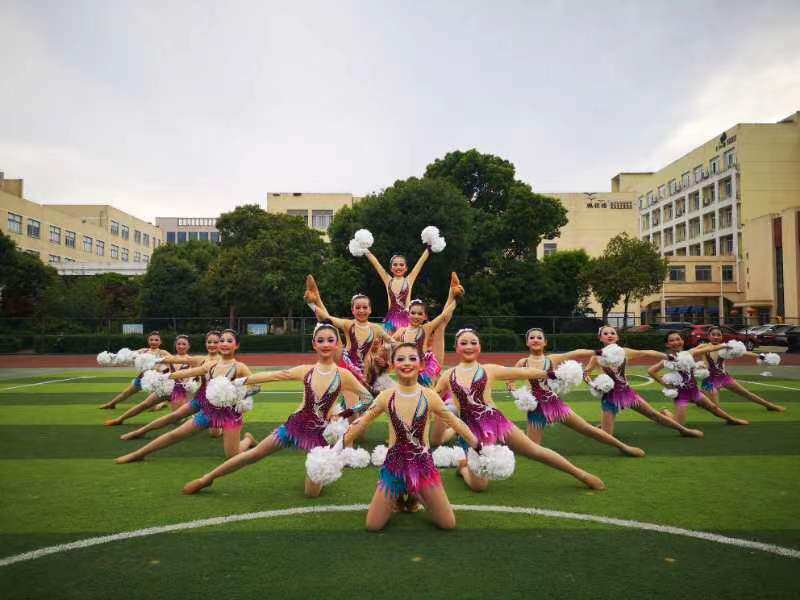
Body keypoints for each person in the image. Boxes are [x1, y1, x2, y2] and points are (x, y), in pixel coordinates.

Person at [182, 323, 373, 498]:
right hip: (294, 426)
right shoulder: (305, 370)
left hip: (319, 435)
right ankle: (207, 478)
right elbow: (273, 375)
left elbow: (367, 399)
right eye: (320, 340)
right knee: (254, 454)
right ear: (314, 344)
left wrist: (342, 415)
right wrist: (238, 381)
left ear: (337, 344)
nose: (325, 344)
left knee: (311, 493)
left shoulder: (344, 375)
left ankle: (321, 472)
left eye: (330, 340)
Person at [436, 329, 606, 492]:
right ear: (456, 347)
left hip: (496, 421)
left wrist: (550, 375)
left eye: (473, 342)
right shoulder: (448, 375)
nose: (469, 346)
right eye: (463, 343)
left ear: (480, 346)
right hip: (470, 431)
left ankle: (581, 474)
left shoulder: (489, 369)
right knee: (479, 487)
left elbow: (522, 372)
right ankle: (463, 467)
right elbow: (433, 396)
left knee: (533, 450)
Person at [343, 342, 482, 531]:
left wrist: (478, 446)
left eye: (412, 358)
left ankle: (415, 491)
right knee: (373, 526)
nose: (406, 363)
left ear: (421, 364)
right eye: (400, 359)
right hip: (394, 466)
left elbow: (455, 422)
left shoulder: (429, 396)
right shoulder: (385, 396)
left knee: (447, 524)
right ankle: (398, 489)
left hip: (423, 466)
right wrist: (337, 448)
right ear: (392, 365)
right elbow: (362, 422)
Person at [115, 329, 256, 463]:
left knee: (231, 455)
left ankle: (247, 440)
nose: (222, 344)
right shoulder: (208, 363)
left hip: (229, 413)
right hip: (207, 406)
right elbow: (185, 370)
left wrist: (239, 394)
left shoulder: (240, 366)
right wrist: (162, 374)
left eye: (229, 341)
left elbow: (255, 386)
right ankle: (138, 453)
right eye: (220, 341)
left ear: (236, 345)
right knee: (175, 431)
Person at [507, 328, 644, 456]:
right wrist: (517, 393)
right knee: (532, 449)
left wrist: (599, 352)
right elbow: (510, 380)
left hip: (555, 404)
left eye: (539, 337)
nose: (535, 340)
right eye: (532, 338)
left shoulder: (552, 359)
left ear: (545, 342)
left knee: (586, 428)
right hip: (535, 408)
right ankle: (519, 436)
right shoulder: (523, 362)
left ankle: (623, 447)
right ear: (527, 342)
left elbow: (576, 353)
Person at [584, 326, 704, 438]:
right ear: (600, 338)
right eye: (605, 334)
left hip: (627, 393)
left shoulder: (624, 351)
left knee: (653, 414)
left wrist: (668, 357)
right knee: (606, 436)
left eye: (612, 333)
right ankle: (600, 426)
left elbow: (648, 352)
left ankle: (684, 430)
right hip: (609, 396)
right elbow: (586, 373)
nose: (609, 335)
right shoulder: (596, 356)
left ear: (617, 337)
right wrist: (593, 385)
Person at [649, 331, 749, 426]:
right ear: (667, 344)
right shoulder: (667, 359)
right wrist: (665, 384)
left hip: (695, 391)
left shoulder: (689, 353)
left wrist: (725, 346)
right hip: (681, 395)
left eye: (678, 339)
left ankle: (732, 420)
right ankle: (665, 412)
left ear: (682, 341)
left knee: (713, 407)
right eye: (671, 340)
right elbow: (651, 371)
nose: (676, 342)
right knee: (679, 424)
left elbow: (709, 348)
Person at [699, 326, 785, 412]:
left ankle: (770, 406)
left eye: (719, 335)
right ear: (708, 336)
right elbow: (705, 362)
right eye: (713, 334)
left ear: (722, 336)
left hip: (723, 377)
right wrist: (702, 367)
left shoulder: (725, 346)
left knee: (746, 393)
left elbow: (743, 352)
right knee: (715, 407)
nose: (716, 337)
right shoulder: (704, 347)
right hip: (709, 379)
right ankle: (702, 398)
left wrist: (761, 356)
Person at [99, 331, 171, 409]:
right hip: (142, 377)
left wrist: (165, 371)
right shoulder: (144, 350)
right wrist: (112, 357)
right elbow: (128, 356)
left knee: (153, 403)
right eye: (151, 340)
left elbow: (173, 361)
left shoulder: (162, 352)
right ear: (148, 340)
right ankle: (111, 404)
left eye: (156, 340)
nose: (153, 342)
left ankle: (161, 404)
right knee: (126, 393)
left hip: (155, 381)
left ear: (160, 342)